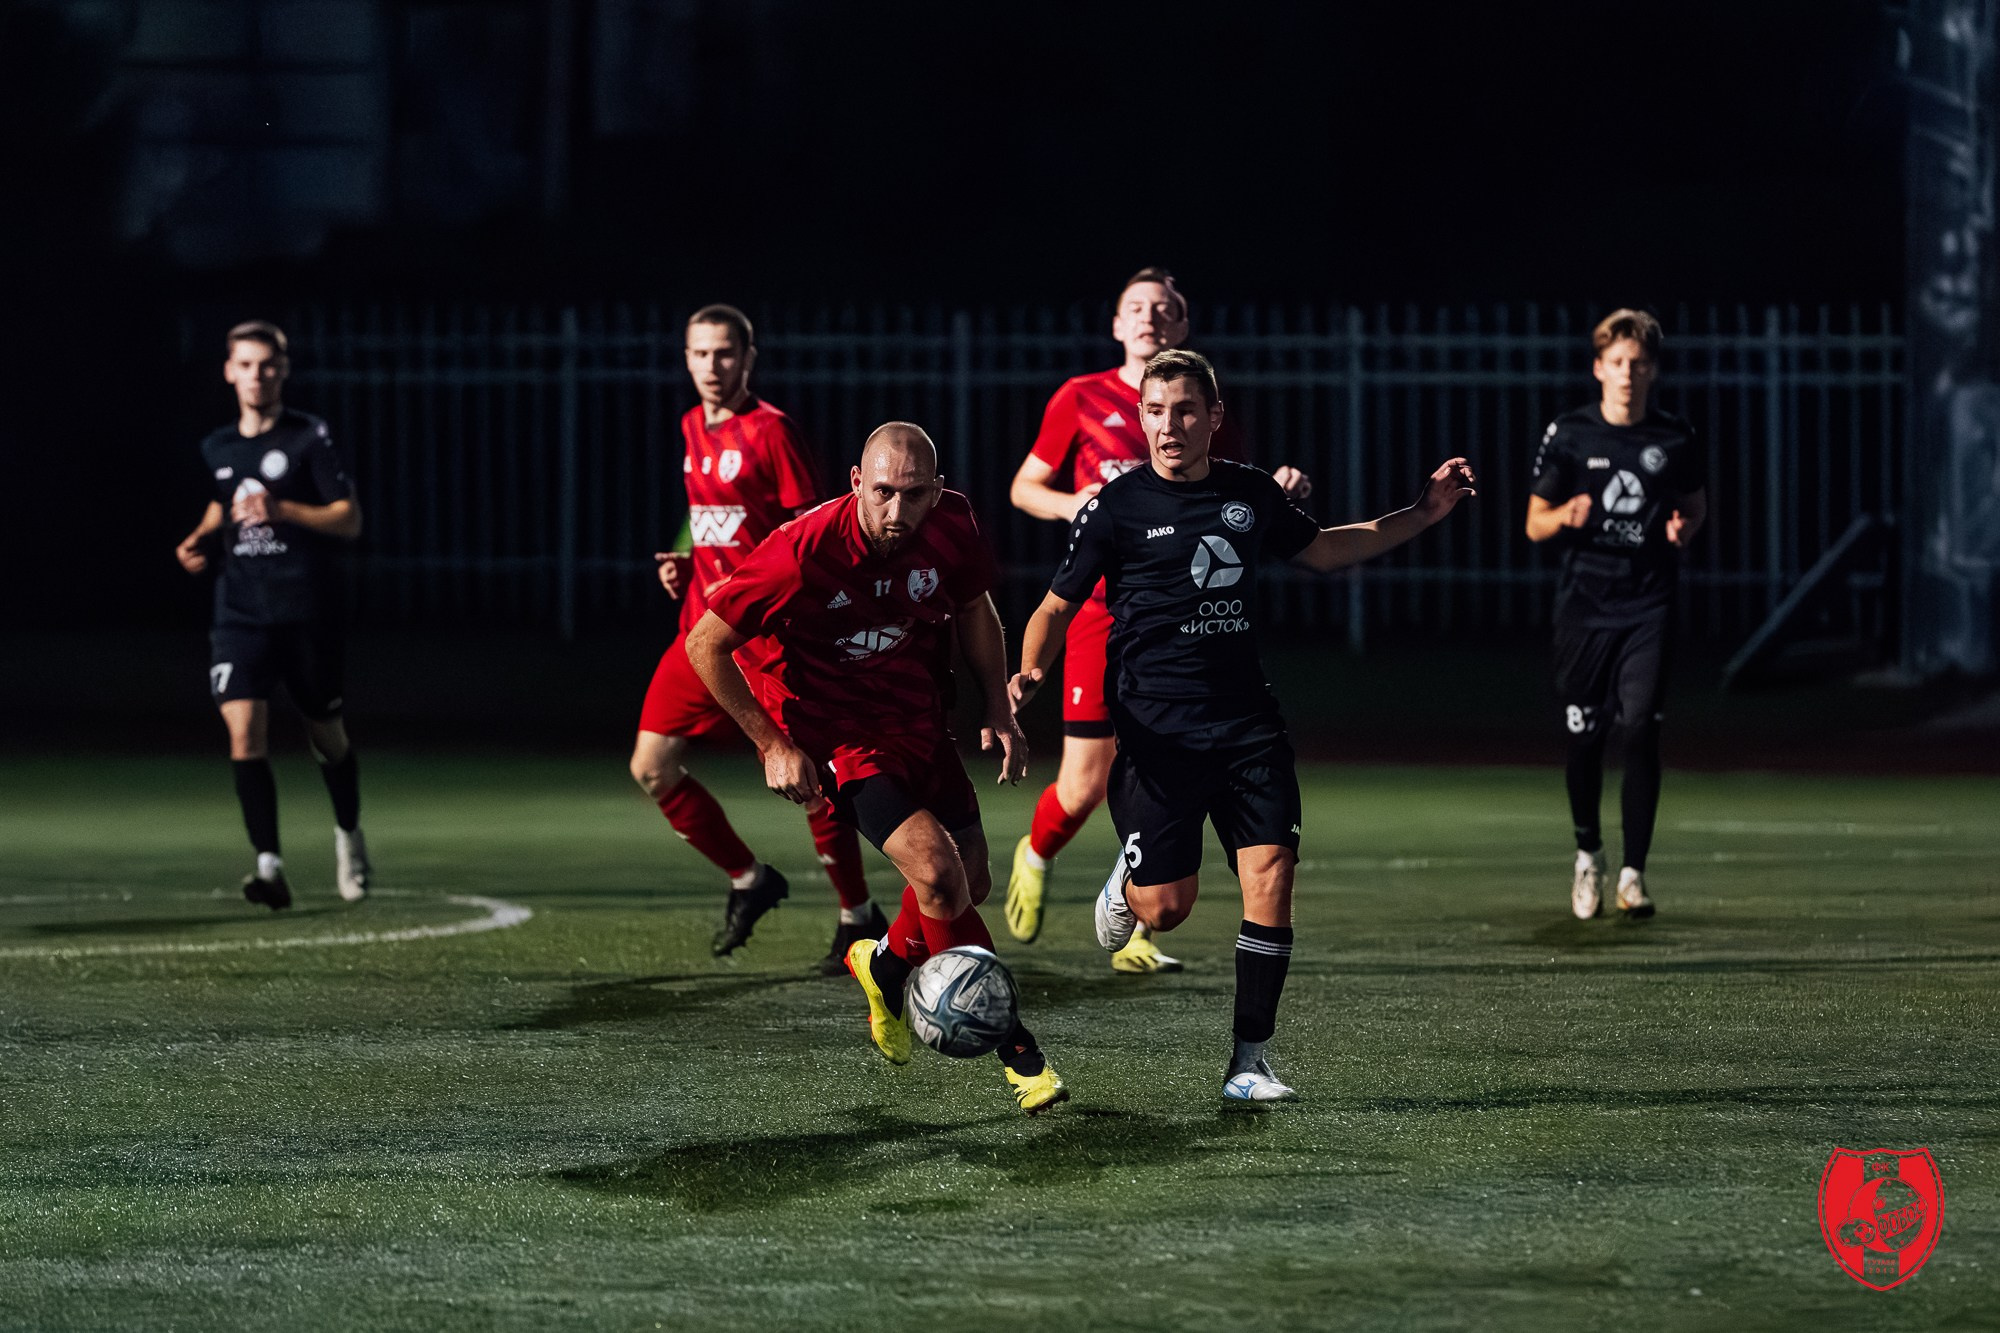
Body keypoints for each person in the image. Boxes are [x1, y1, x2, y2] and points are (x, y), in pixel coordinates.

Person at [1012, 350, 1475, 1102]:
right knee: (1166, 908)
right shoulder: (1115, 506)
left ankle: (1248, 1063)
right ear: (1141, 419)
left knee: (1271, 873)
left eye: (1185, 410)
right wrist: (1030, 669)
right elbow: (1055, 606)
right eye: (1155, 411)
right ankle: (1131, 880)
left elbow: (1327, 548)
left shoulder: (1250, 493)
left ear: (1213, 418)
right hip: (1158, 733)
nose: (1169, 426)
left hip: (1246, 723)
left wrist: (1421, 512)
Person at [686, 423, 1067, 1115]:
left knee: (971, 880)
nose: (897, 511)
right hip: (838, 735)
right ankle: (1018, 1050)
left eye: (914, 494)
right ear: (857, 483)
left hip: (918, 718)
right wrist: (773, 745)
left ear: (937, 491)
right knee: (939, 874)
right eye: (884, 492)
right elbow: (705, 644)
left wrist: (998, 706)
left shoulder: (953, 524)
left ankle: (883, 965)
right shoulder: (801, 552)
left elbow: (974, 608)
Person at [1004, 267, 1310, 973]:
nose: (1150, 317)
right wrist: (1084, 505)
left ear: (1182, 326)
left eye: (1165, 309)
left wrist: (1280, 491)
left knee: (1172, 766)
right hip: (1101, 611)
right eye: (1136, 307)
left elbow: (1226, 500)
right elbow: (1023, 487)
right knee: (1084, 783)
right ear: (1116, 324)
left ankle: (1143, 920)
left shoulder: (1194, 399)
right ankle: (1038, 851)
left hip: (1186, 623)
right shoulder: (1080, 396)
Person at [630, 305, 878, 969]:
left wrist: (798, 606)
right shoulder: (692, 424)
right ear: (686, 359)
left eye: (725, 353)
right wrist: (686, 555)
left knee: (807, 778)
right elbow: (706, 512)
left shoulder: (772, 430)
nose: (712, 366)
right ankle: (750, 878)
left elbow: (811, 526)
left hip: (766, 637)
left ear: (747, 359)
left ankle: (857, 915)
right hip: (700, 632)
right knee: (651, 766)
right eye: (700, 353)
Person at [174, 321, 367, 909]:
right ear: (229, 372)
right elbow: (223, 503)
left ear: (283, 371)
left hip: (305, 611)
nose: (257, 376)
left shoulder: (309, 438)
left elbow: (348, 519)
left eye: (267, 365)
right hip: (241, 612)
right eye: (246, 365)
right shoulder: (217, 447)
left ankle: (348, 834)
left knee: (326, 734)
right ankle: (269, 867)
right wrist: (199, 538)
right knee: (243, 732)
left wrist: (284, 510)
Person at [1525, 309, 1707, 921]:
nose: (1629, 374)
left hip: (1649, 604)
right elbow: (1534, 523)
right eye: (1619, 362)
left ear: (1653, 371)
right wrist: (1565, 516)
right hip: (1585, 607)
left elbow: (1695, 508)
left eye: (1640, 364)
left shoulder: (1674, 437)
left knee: (1640, 729)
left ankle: (1634, 874)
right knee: (1585, 736)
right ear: (1599, 368)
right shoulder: (1570, 433)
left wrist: (1684, 528)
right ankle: (1589, 855)